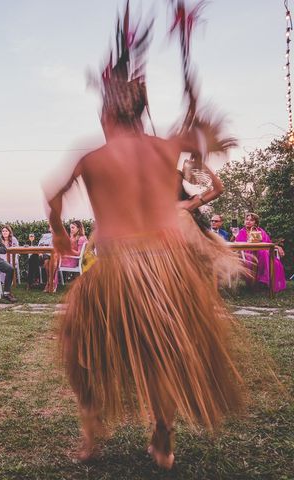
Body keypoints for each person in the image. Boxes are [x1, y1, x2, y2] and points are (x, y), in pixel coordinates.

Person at [47, 7, 242, 469]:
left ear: (108, 112)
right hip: (168, 271)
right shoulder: (165, 146)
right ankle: (163, 438)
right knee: (162, 355)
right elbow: (198, 126)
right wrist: (188, 65)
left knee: (83, 351)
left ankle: (92, 437)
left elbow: (53, 198)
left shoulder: (91, 158)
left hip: (117, 271)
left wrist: (57, 233)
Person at [234, 213, 287, 292]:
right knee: (263, 253)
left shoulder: (260, 231)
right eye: (247, 219)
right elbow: (238, 246)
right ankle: (262, 281)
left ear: (255, 222)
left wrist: (277, 247)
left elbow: (268, 243)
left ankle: (264, 281)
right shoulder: (241, 232)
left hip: (262, 254)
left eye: (251, 220)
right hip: (247, 255)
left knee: (266, 254)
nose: (248, 221)